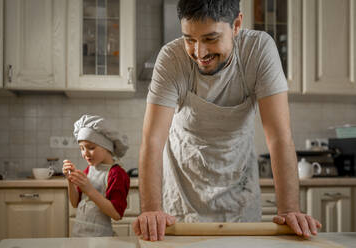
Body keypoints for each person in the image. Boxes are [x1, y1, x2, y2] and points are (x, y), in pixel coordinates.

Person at [133, 0, 322, 242]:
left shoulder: (258, 50)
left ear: (237, 25)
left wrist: (289, 210)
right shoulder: (172, 58)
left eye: (211, 39)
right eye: (189, 39)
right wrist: (150, 209)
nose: (199, 53)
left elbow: (279, 136)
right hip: (182, 195)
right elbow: (152, 140)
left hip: (239, 191)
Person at [63, 114, 130, 237]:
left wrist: (89, 190)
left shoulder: (117, 174)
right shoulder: (89, 169)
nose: (85, 153)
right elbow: (75, 203)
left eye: (91, 147)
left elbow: (116, 214)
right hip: (78, 235)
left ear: (106, 146)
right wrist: (70, 181)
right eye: (82, 148)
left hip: (100, 238)